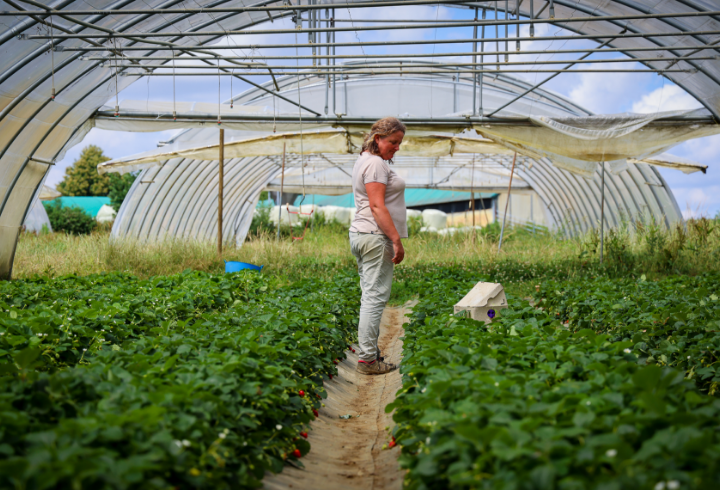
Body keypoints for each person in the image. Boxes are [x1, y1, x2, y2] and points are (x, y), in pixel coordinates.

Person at [349, 117, 407, 375]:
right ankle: (368, 361)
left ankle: (368, 355)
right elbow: (376, 206)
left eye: (399, 143)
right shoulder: (375, 164)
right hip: (374, 236)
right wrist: (395, 239)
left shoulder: (365, 160)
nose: (396, 147)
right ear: (377, 139)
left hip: (363, 235)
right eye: (393, 142)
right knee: (374, 299)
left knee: (369, 297)